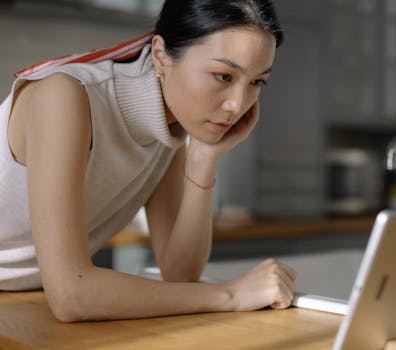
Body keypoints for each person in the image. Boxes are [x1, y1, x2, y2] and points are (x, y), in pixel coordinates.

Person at [0, 0, 297, 322]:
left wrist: (203, 158)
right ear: (160, 55)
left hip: (23, 301)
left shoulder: (170, 125)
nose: (237, 104)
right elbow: (72, 295)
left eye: (257, 82)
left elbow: (180, 272)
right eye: (224, 76)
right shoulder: (64, 97)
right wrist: (232, 294)